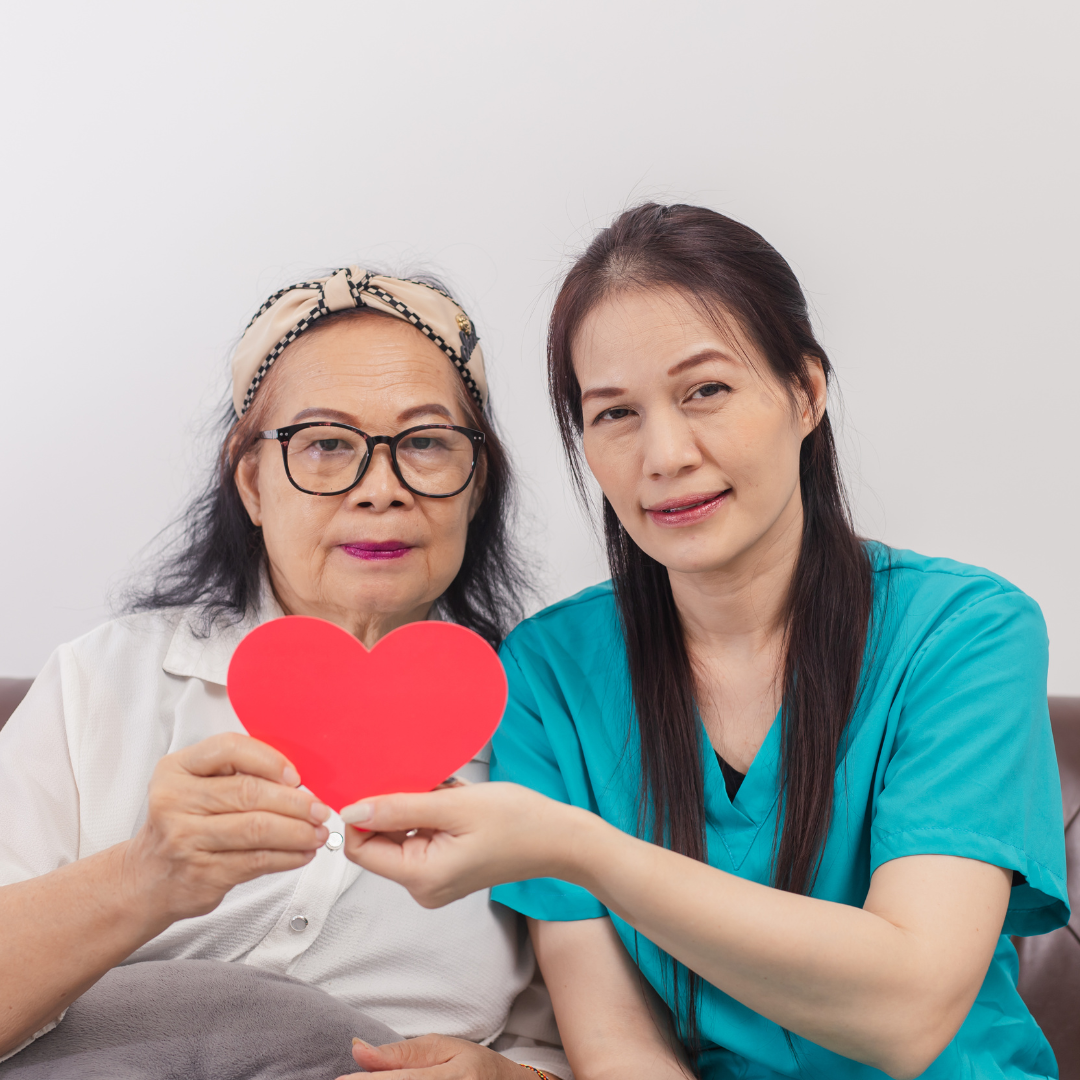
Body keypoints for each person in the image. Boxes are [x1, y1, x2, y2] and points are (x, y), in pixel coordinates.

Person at [340, 205, 1069, 1080]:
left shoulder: (966, 633)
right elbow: (614, 1045)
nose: (666, 453)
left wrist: (577, 847)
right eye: (614, 414)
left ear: (805, 392)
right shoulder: (546, 674)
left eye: (706, 391)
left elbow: (908, 1011)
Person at [0, 267, 569, 1080]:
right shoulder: (107, 680)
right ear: (253, 483)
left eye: (427, 443)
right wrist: (144, 875)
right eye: (327, 444)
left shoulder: (543, 728)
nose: (381, 490)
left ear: (476, 484)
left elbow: (580, 1039)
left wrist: (511, 1079)